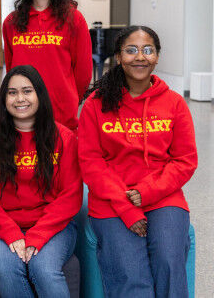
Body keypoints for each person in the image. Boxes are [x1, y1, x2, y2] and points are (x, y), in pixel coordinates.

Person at [79, 26, 197, 297]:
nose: (139, 57)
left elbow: (185, 160)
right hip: (111, 200)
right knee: (132, 276)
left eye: (147, 50)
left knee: (169, 261)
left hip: (163, 195)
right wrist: (127, 206)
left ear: (157, 57)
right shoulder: (96, 104)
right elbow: (91, 162)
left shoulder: (175, 104)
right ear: (119, 57)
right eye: (131, 50)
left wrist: (146, 193)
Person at [0, 65, 82, 298]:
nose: (20, 98)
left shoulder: (64, 138)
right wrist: (12, 233)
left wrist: (38, 235)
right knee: (6, 268)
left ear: (39, 95)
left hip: (53, 226)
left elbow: (71, 196)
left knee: (44, 269)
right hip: (1, 226)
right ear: (4, 98)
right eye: (12, 92)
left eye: (27, 91)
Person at [2, 0, 92, 130]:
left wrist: (70, 99)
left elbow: (82, 72)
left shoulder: (73, 18)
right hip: (23, 111)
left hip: (61, 110)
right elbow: (12, 68)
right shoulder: (11, 22)